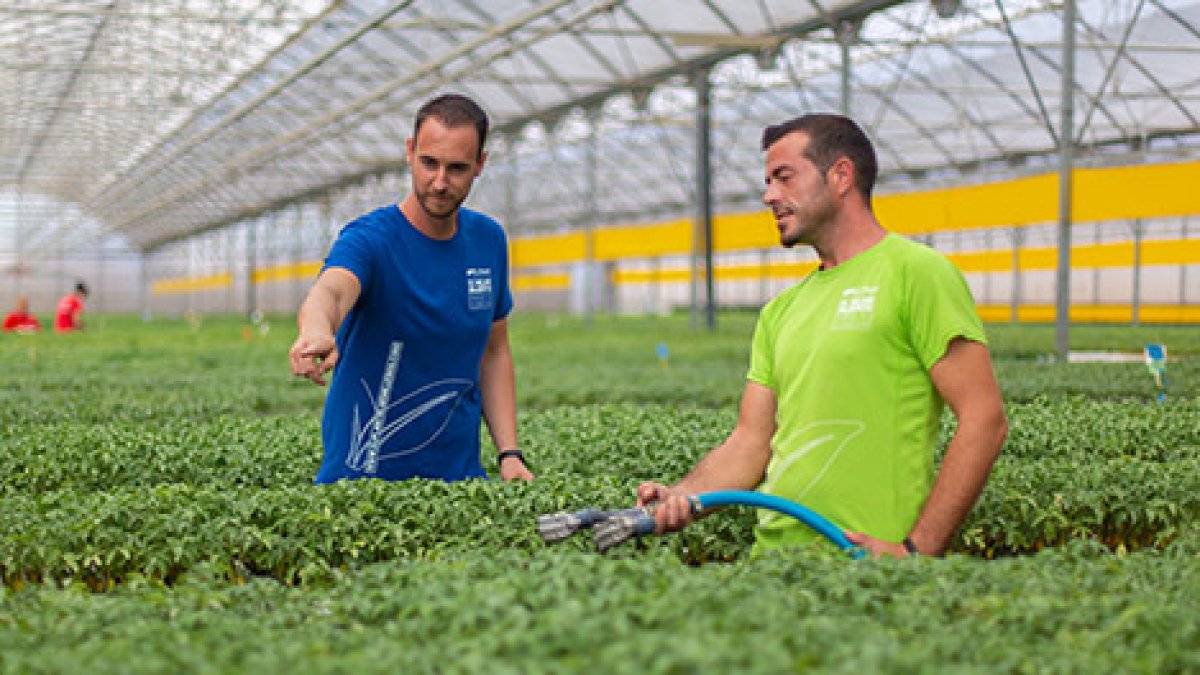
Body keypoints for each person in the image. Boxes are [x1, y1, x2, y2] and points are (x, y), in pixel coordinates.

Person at [637, 114, 1008, 558]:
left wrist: (917, 548)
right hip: (774, 562)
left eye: (784, 177)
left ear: (841, 176)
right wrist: (679, 497)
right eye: (768, 181)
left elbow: (984, 418)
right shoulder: (781, 311)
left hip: (865, 566)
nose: (769, 195)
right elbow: (750, 444)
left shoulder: (917, 274)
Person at [289, 93, 533, 485]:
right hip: (361, 480)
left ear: (480, 165)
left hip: (461, 482)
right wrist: (316, 331)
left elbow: (494, 350)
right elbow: (331, 291)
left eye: (456, 168)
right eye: (429, 163)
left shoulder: (488, 240)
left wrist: (509, 453)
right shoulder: (370, 239)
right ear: (409, 152)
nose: (439, 182)